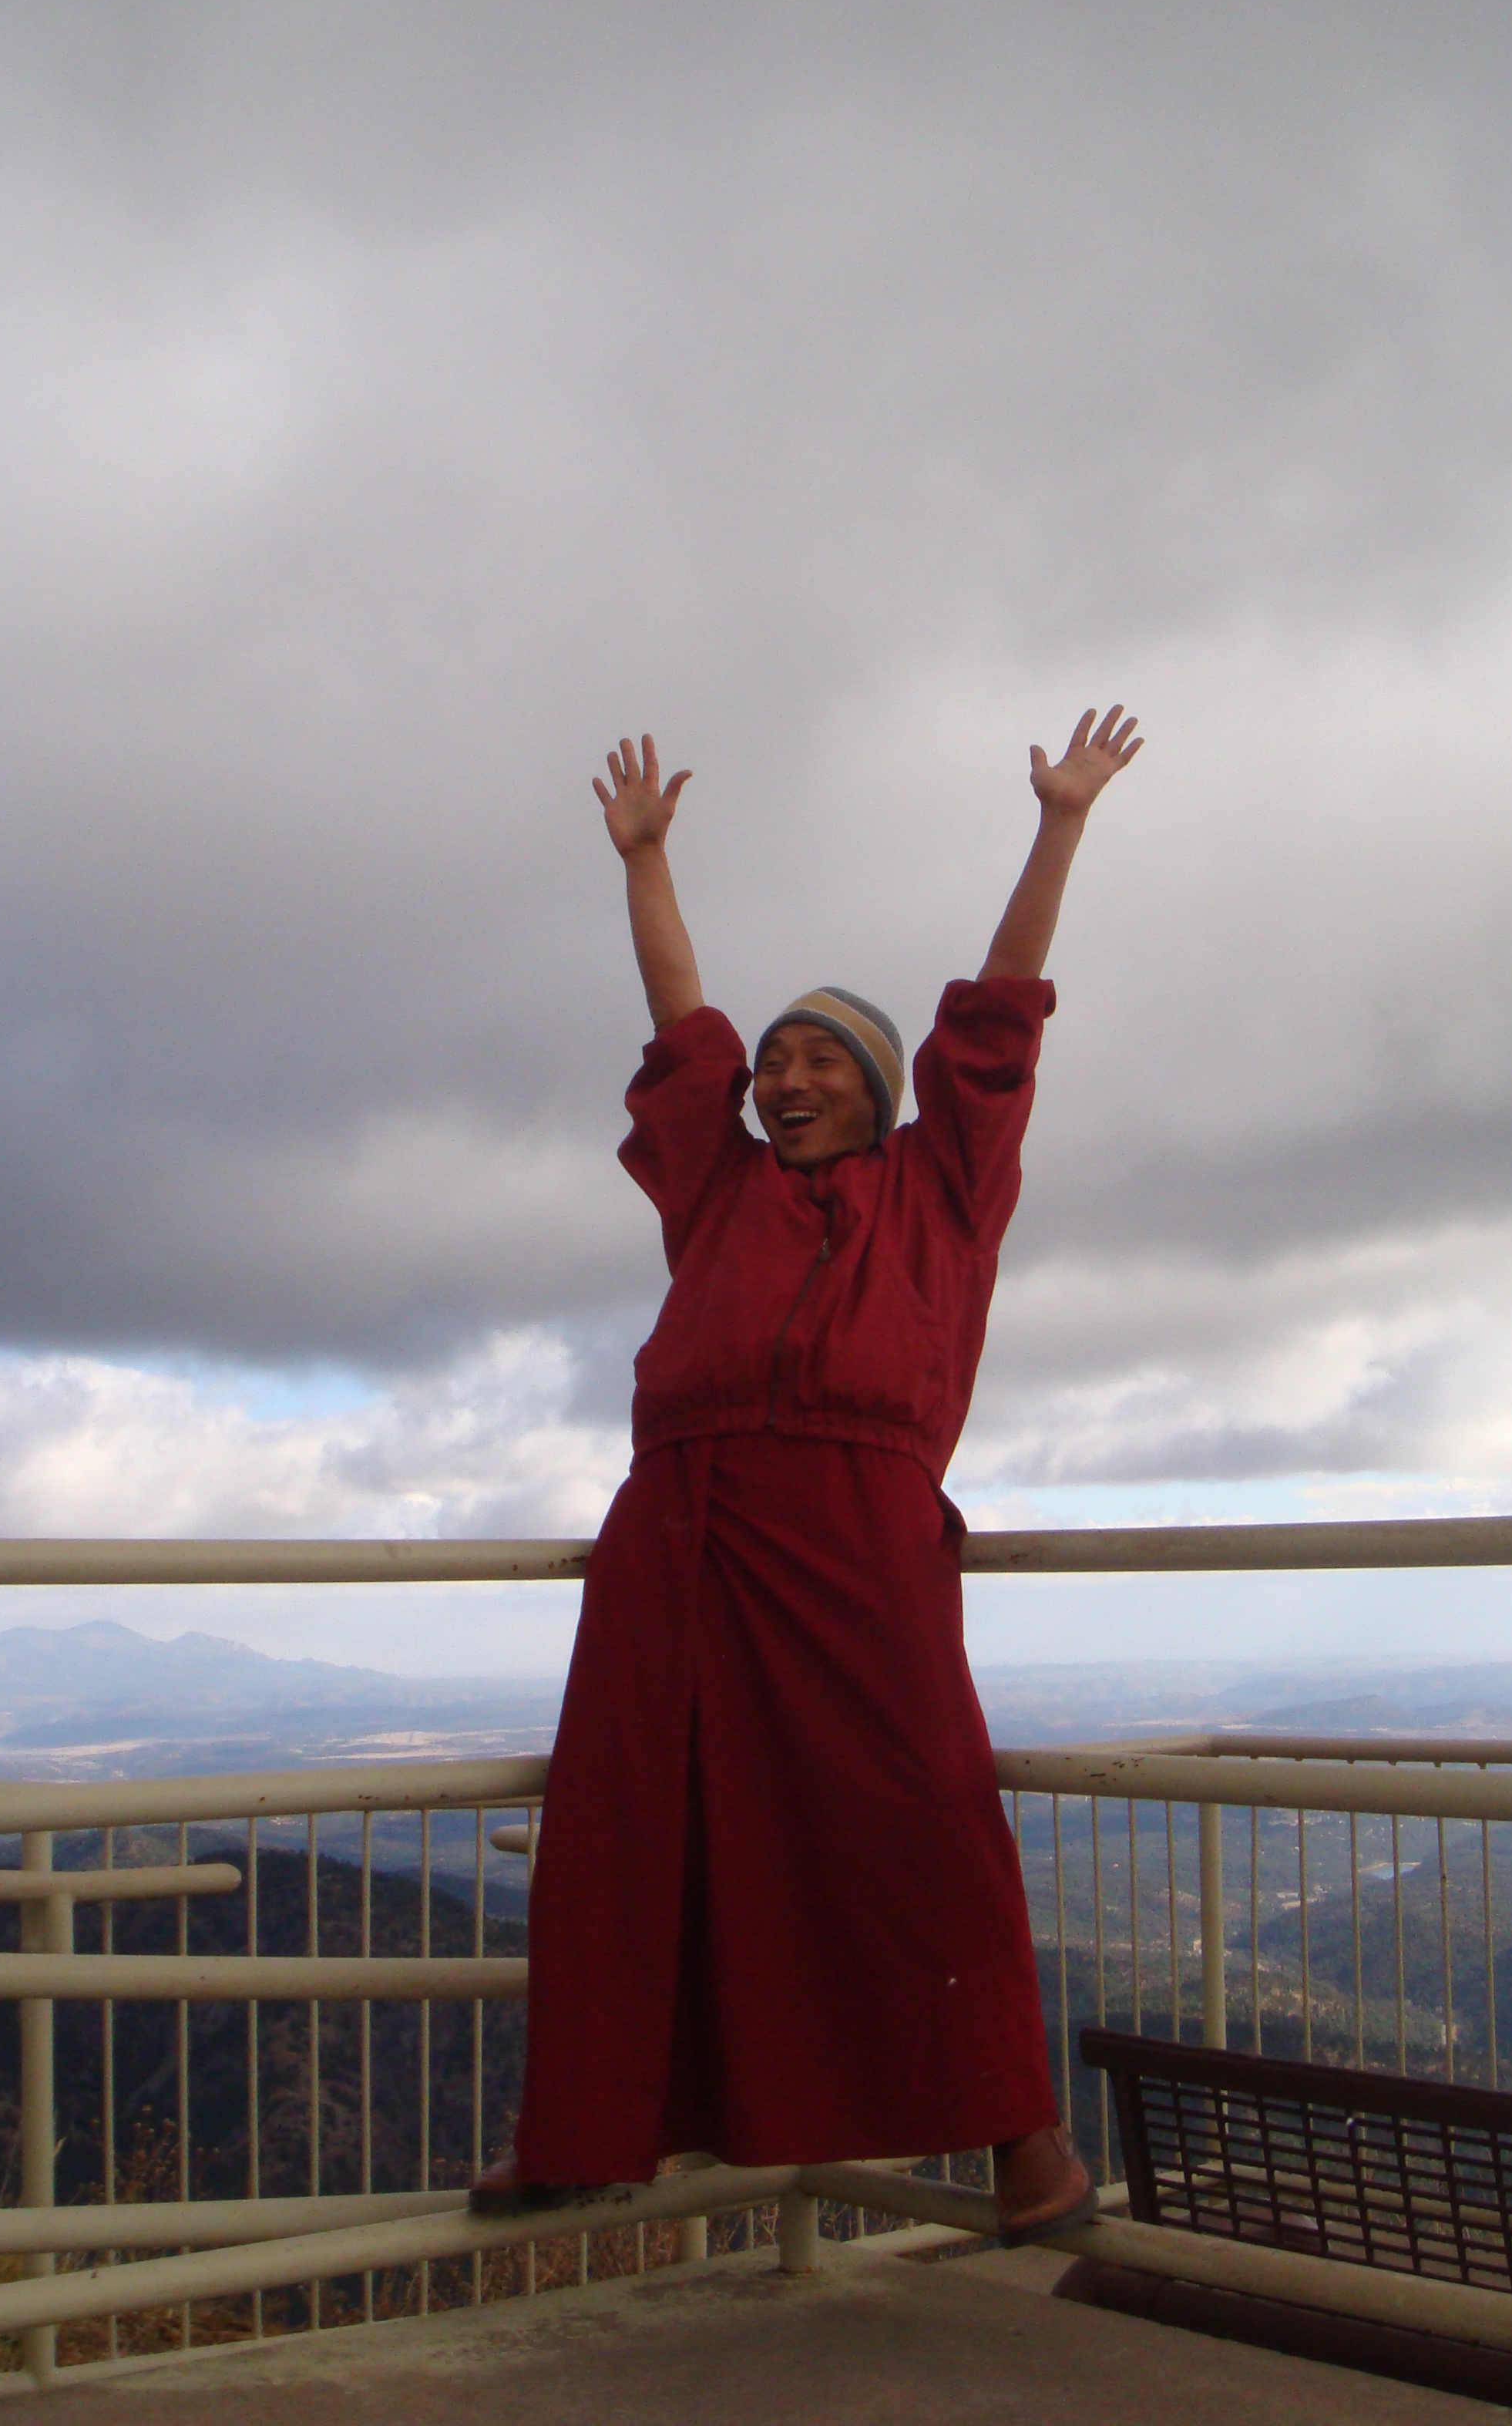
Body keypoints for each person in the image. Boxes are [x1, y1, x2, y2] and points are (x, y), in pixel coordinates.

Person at [473, 705, 1144, 2241]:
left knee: (922, 1820)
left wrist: (1060, 823)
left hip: (859, 1533)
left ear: (879, 1090)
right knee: (631, 1831)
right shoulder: (717, 1192)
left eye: (820, 1059)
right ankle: (582, 2130)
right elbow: (680, 1024)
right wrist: (645, 861)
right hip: (678, 1533)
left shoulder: (943, 1189)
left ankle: (1024, 2146)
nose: (784, 1078)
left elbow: (1001, 1018)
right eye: (774, 1062)